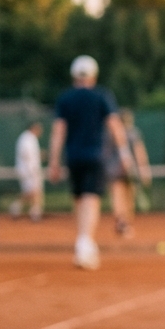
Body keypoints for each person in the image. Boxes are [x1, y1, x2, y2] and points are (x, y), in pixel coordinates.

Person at [47, 55, 130, 270]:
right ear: (94, 75)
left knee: (79, 200)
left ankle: (85, 242)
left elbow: (58, 131)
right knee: (91, 200)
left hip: (73, 158)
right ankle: (84, 244)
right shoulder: (102, 96)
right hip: (96, 156)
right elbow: (115, 125)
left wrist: (54, 161)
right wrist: (124, 153)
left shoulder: (65, 99)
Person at [103, 109, 151, 238]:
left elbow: (105, 154)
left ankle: (121, 222)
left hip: (113, 170)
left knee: (117, 197)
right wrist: (144, 170)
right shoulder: (133, 133)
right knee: (129, 198)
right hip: (130, 171)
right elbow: (140, 152)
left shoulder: (109, 134)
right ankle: (125, 224)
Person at [10, 121, 44, 222]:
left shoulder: (30, 138)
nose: (41, 131)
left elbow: (33, 155)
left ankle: (32, 212)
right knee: (33, 192)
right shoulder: (26, 138)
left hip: (29, 170)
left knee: (32, 192)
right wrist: (32, 170)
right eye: (39, 128)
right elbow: (27, 155)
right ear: (34, 128)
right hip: (27, 170)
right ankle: (33, 213)